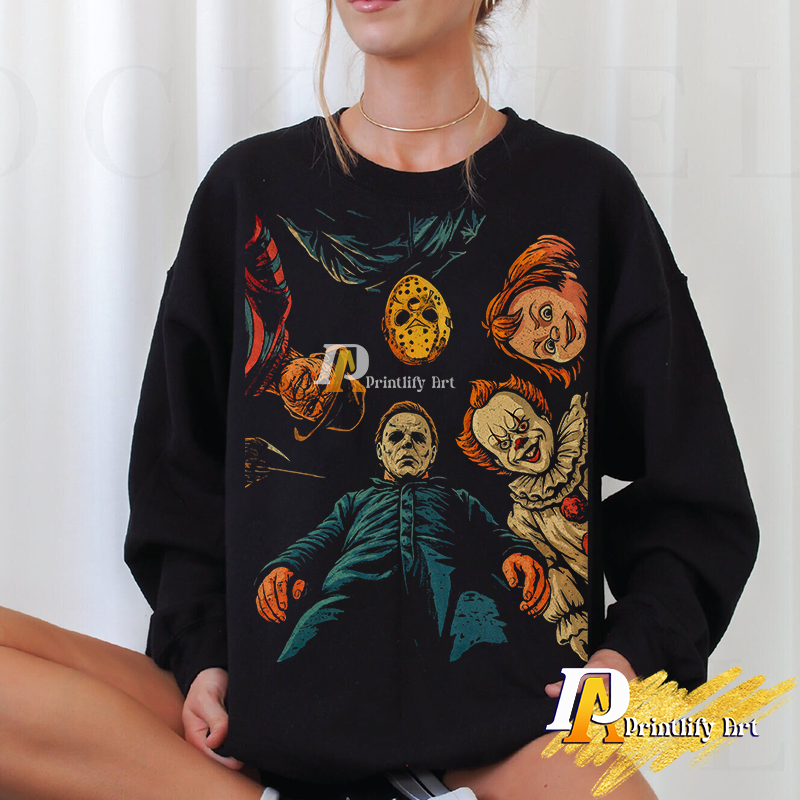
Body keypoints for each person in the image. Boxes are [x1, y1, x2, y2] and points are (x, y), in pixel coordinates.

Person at [0, 1, 759, 800]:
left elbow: (694, 494)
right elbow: (178, 484)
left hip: (517, 738)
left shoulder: (583, 194)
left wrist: (627, 664)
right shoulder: (248, 192)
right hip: (273, 729)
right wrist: (204, 655)